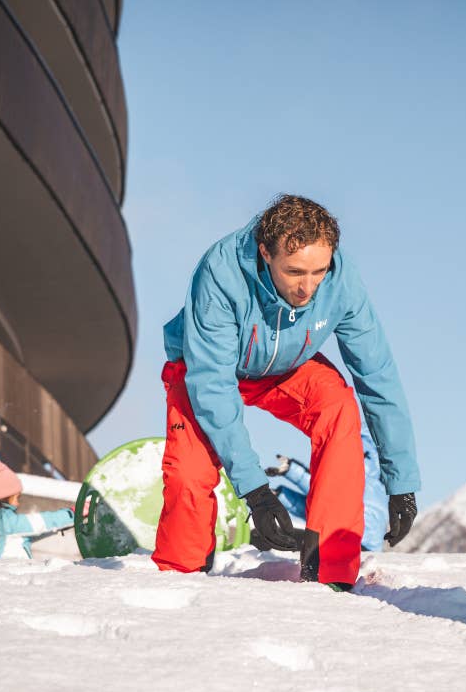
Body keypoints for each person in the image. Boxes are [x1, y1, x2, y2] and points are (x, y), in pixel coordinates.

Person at [154, 194, 421, 589]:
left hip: (287, 369)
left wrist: (401, 483)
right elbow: (212, 383)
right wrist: (256, 493)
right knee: (189, 473)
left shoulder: (341, 280)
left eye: (319, 271)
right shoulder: (222, 271)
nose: (308, 287)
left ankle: (331, 569)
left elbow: (377, 376)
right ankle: (179, 577)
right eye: (295, 271)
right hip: (206, 367)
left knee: (339, 408)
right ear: (265, 252)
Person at [263, 424, 390, 552]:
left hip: (356, 543)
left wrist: (290, 470)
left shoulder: (362, 480)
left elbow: (323, 493)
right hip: (354, 543)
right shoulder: (373, 481)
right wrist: (280, 495)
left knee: (277, 539)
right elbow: (319, 512)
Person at [0, 458, 74, 560]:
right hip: (16, 577)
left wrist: (59, 528)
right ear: (5, 497)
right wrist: (72, 514)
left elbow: (23, 534)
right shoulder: (6, 520)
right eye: (16, 498)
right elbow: (41, 522)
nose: (18, 504)